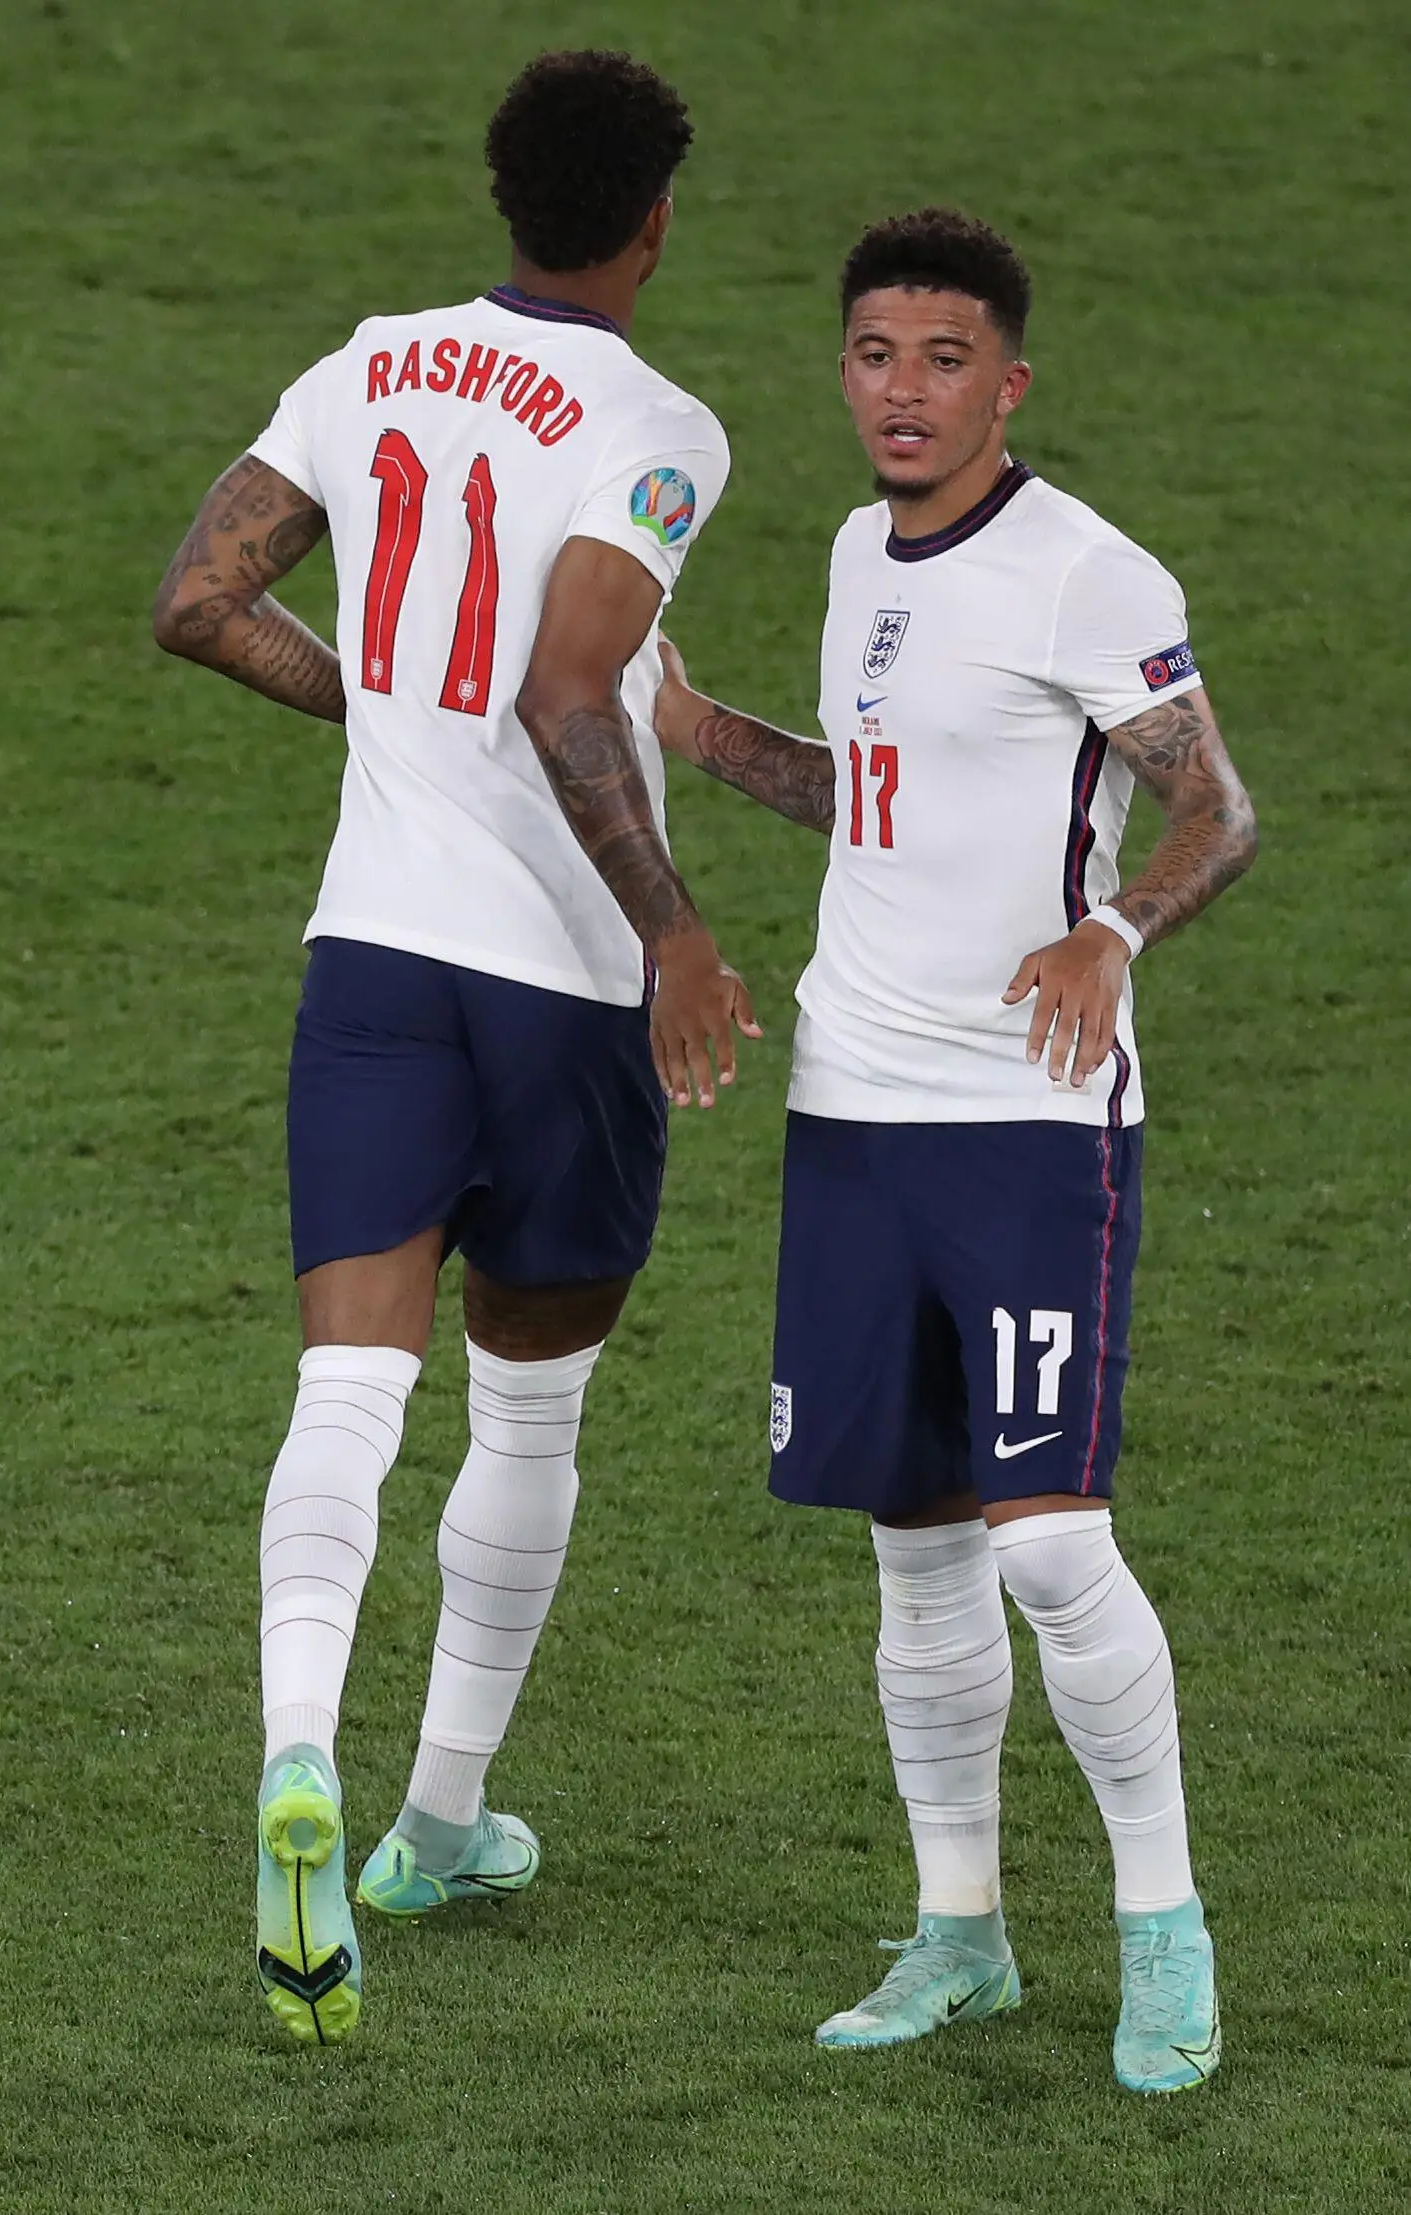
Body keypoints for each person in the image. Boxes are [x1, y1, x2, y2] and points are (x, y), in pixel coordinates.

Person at [152, 48, 757, 2047]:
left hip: (376, 970)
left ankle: (294, 1757)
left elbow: (197, 600)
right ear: (654, 222)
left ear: (506, 198)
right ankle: (434, 1820)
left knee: (348, 1391)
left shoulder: (369, 364)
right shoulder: (657, 428)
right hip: (562, 991)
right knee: (529, 1412)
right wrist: (675, 931)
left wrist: (380, 703)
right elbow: (576, 695)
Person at [653, 206, 1256, 2095]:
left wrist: (1114, 930)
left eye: (943, 359)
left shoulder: (1085, 570)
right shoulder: (858, 553)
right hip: (854, 1111)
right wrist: (698, 728)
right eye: (872, 354)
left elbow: (1216, 806)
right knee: (913, 1545)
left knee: (1051, 1545)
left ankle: (1164, 1931)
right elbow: (878, 792)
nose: (902, 391)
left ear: (1010, 381)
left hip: (1028, 1124)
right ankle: (960, 1933)